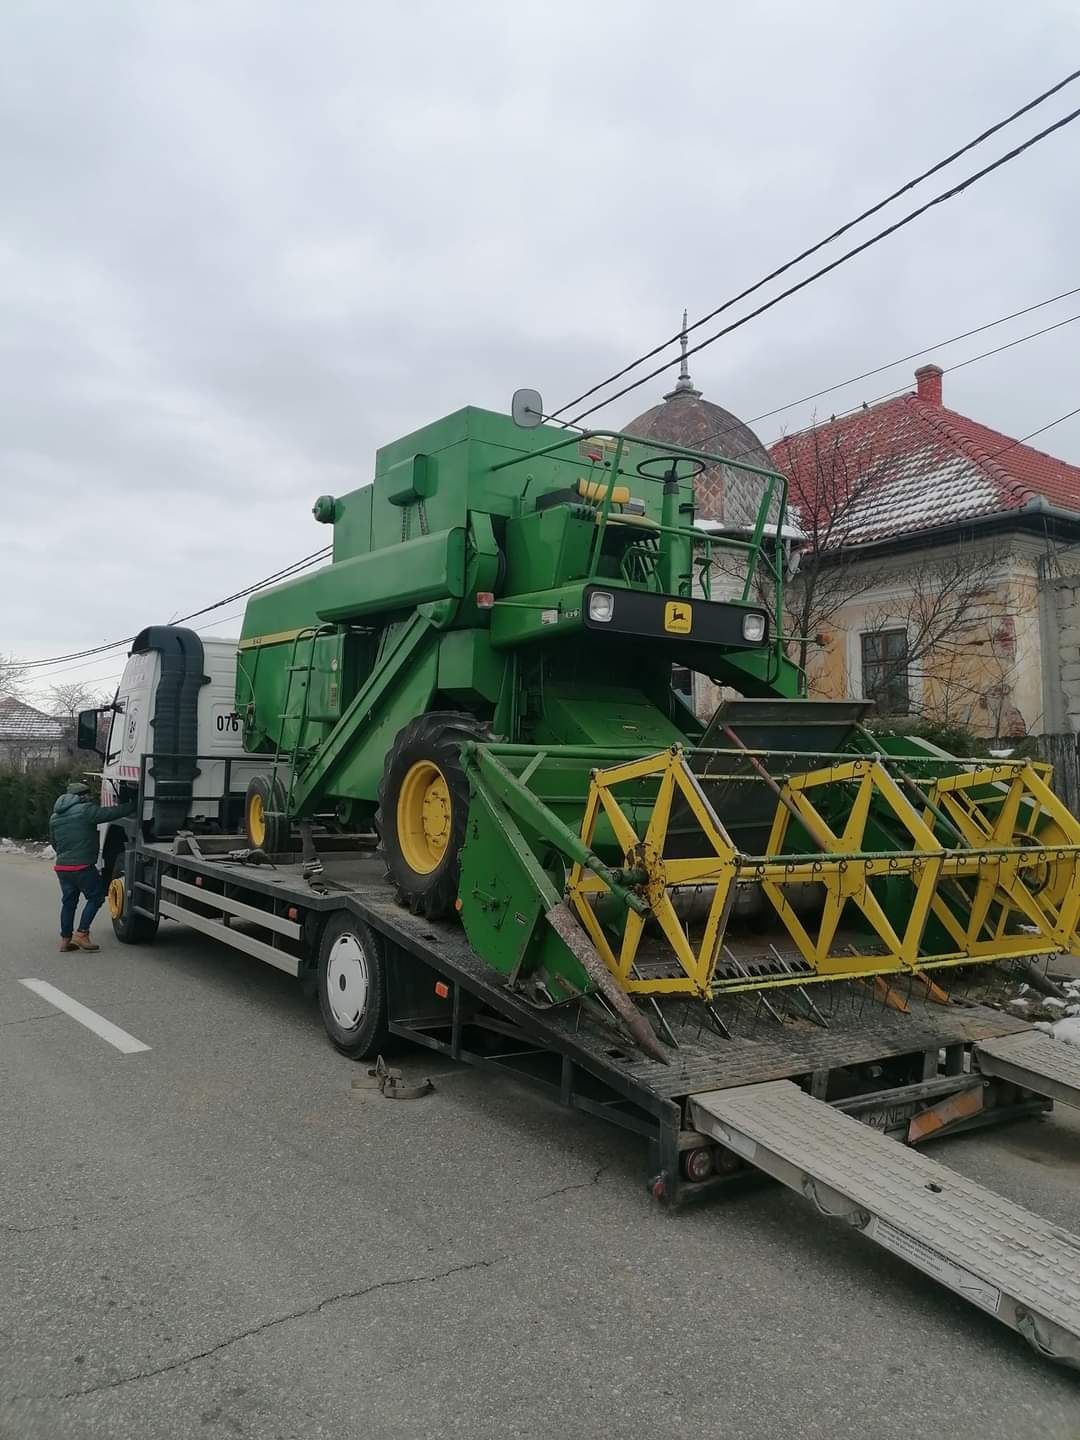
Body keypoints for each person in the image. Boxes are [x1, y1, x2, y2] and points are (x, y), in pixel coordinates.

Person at [49, 781, 135, 953]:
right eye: (87, 795)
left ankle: (65, 940)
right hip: (82, 866)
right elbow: (109, 813)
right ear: (81, 796)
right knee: (96, 898)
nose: (90, 798)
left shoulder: (55, 816)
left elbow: (54, 843)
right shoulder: (85, 811)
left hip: (63, 868)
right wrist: (133, 805)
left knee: (69, 902)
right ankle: (82, 933)